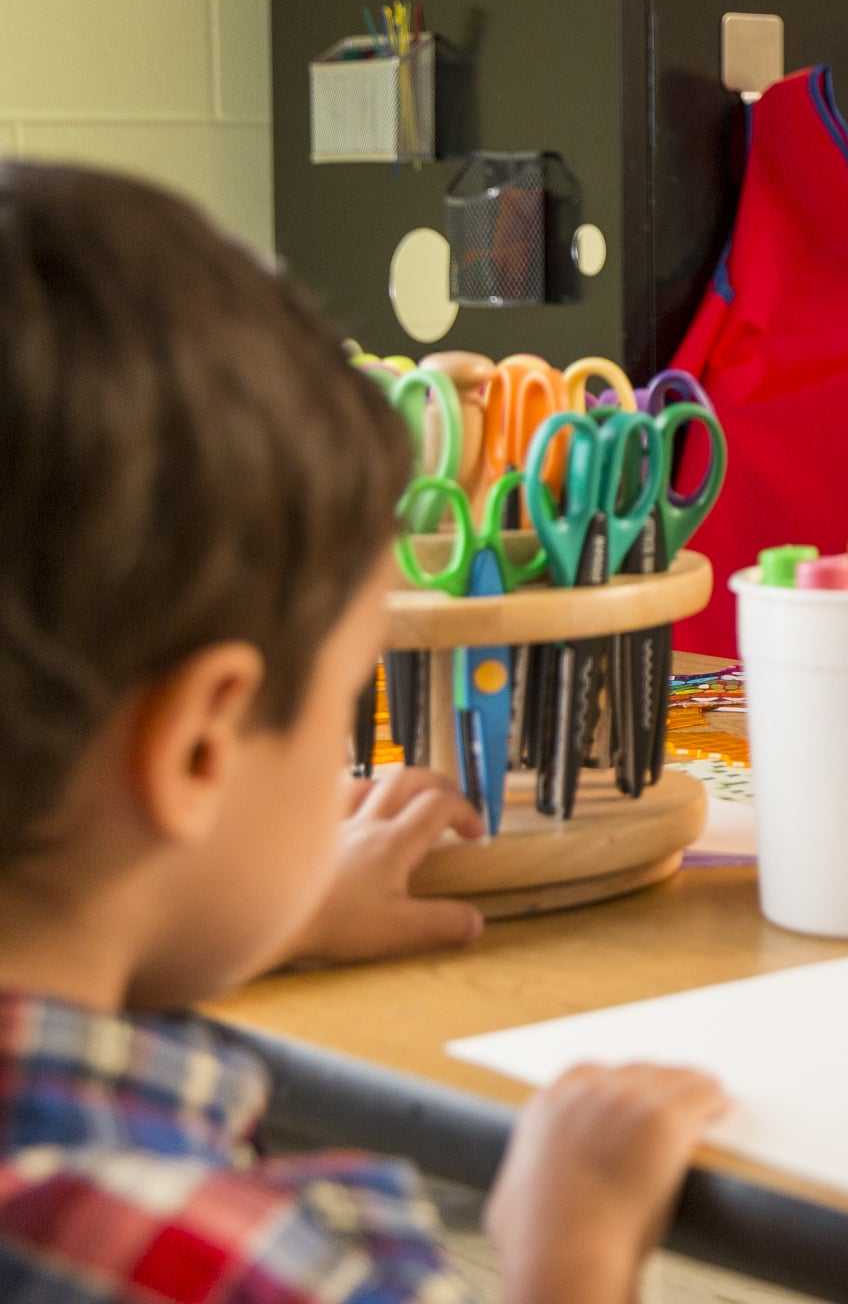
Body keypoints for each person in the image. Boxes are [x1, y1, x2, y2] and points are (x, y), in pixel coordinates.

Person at [0, 163, 727, 1304]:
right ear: (198, 750)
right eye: (355, 687)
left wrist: (262, 916)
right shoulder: (221, 1264)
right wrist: (572, 1256)